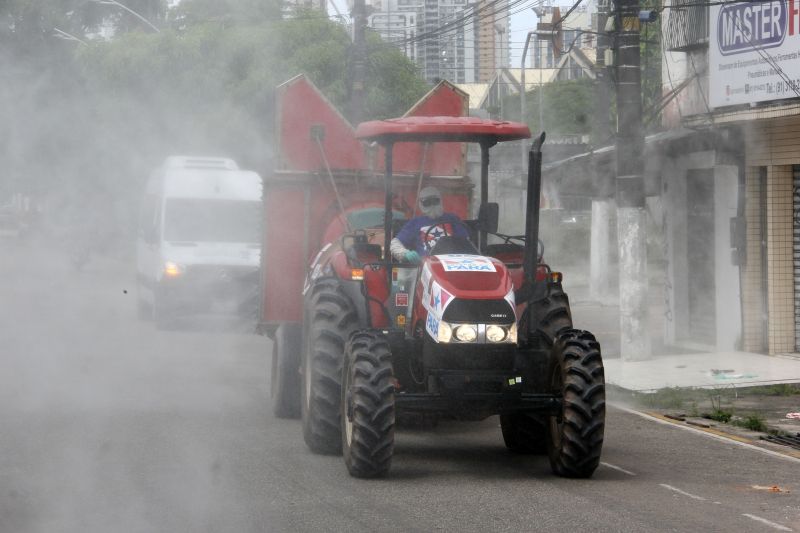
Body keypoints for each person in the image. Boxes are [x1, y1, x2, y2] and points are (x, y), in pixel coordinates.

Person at [390, 186, 469, 263]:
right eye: (427, 202)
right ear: (421, 204)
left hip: (451, 263)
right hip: (425, 267)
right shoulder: (415, 223)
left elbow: (465, 242)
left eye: (435, 201)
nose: (432, 205)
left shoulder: (452, 219)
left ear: (440, 200)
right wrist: (405, 253)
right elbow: (396, 243)